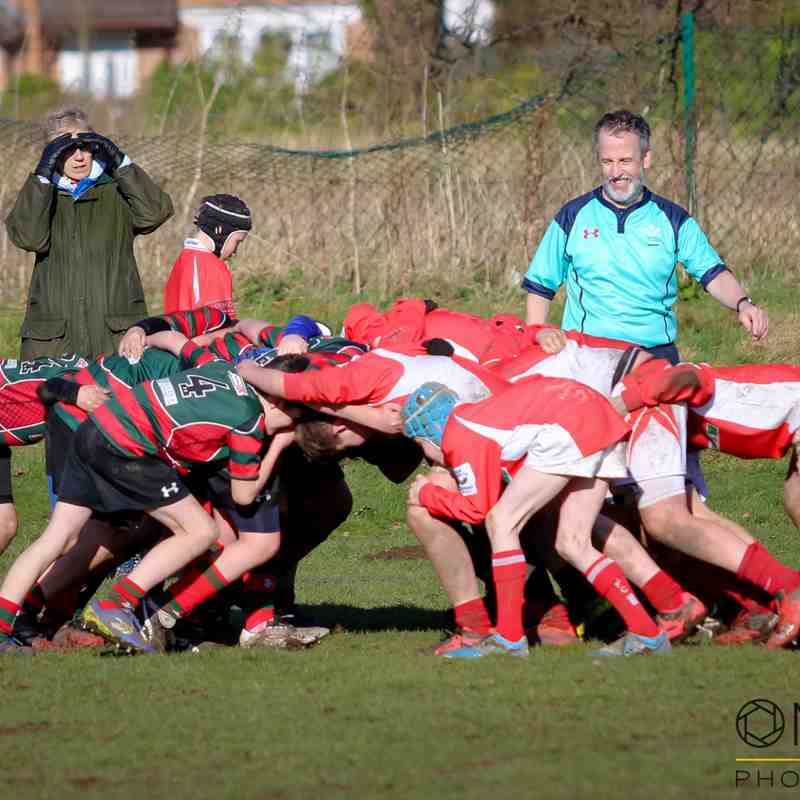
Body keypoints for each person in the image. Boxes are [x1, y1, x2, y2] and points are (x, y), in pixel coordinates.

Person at [522, 109, 768, 362]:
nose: (615, 172)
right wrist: (538, 333)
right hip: (587, 354)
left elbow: (712, 273)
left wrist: (743, 304)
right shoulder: (572, 215)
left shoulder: (672, 218)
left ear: (646, 159)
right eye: (607, 161)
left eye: (625, 161)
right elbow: (541, 284)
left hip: (654, 354)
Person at [6, 106, 173, 360]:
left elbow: (155, 212)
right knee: (55, 398)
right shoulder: (42, 195)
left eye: (85, 147)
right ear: (51, 154)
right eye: (66, 150)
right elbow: (29, 238)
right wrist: (42, 176)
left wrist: (121, 162)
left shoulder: (116, 189)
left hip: (115, 336)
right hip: (53, 341)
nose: (80, 157)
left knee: (118, 400)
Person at [163, 195, 252, 317]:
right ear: (220, 230)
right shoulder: (213, 267)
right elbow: (220, 325)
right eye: (237, 241)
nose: (235, 251)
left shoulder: (185, 258)